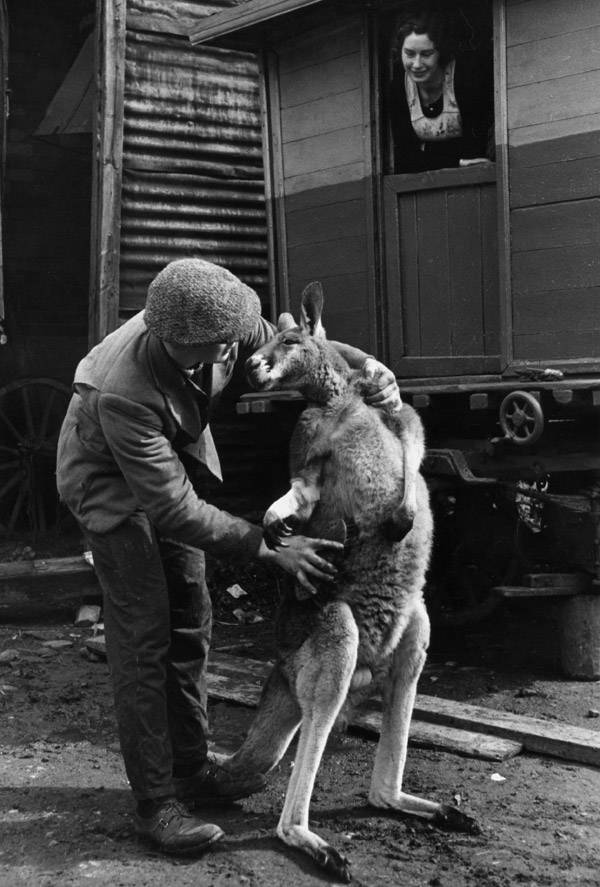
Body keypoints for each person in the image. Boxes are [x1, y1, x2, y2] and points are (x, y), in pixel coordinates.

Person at [56, 258, 401, 856]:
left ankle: (192, 769)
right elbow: (172, 508)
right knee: (144, 639)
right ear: (180, 342)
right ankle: (156, 805)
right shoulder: (123, 391)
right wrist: (268, 546)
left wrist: (368, 366)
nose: (235, 355)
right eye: (219, 348)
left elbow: (297, 349)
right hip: (111, 489)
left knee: (192, 616)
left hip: (172, 461)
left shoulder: (221, 321)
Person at [388, 7, 494, 173]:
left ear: (441, 52)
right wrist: (455, 161)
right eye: (409, 53)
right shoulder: (398, 89)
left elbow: (475, 147)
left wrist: (430, 155)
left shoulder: (465, 77)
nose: (416, 64)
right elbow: (406, 156)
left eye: (426, 54)